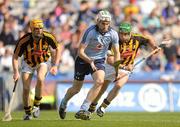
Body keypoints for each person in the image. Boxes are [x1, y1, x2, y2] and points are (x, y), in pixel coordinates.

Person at [88, 22, 160, 118]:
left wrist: (154, 46)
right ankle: (93, 105)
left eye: (125, 34)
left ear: (130, 33)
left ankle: (103, 107)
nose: (123, 36)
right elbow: (110, 60)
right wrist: (124, 67)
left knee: (118, 85)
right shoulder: (113, 41)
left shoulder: (137, 38)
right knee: (102, 88)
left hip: (126, 68)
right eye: (121, 34)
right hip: (112, 66)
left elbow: (149, 38)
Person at [59, 10, 120, 120]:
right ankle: (64, 102)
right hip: (83, 59)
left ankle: (83, 108)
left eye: (107, 23)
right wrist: (90, 61)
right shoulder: (90, 31)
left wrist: (117, 70)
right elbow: (80, 51)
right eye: (103, 23)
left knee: (100, 81)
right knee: (76, 89)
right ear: (97, 21)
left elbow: (117, 53)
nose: (105, 26)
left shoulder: (113, 34)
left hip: (99, 60)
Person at [12, 19, 61, 120]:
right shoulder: (24, 40)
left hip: (44, 61)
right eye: (36, 29)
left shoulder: (48, 37)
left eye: (41, 28)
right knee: (26, 89)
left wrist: (55, 65)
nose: (39, 30)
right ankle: (27, 112)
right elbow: (15, 56)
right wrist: (16, 72)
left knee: (40, 78)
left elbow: (57, 48)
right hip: (28, 63)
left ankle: (36, 105)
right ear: (31, 29)